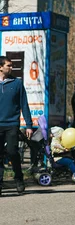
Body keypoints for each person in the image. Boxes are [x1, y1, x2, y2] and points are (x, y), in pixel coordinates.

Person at [0, 56, 33, 195]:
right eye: (8, 65)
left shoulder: (17, 83)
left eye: (12, 65)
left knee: (13, 152)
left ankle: (19, 179)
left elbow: (23, 105)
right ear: (0, 67)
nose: (11, 68)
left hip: (12, 124)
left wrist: (29, 125)